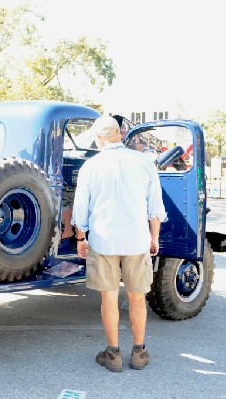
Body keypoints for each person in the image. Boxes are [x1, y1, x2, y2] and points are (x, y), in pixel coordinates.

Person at [71, 116, 167, 372]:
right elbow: (155, 207)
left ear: (99, 138)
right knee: (137, 298)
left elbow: (80, 209)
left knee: (109, 298)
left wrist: (81, 238)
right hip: (137, 240)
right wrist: (154, 237)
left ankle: (112, 354)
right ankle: (139, 352)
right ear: (120, 135)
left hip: (103, 241)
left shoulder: (91, 166)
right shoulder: (144, 162)